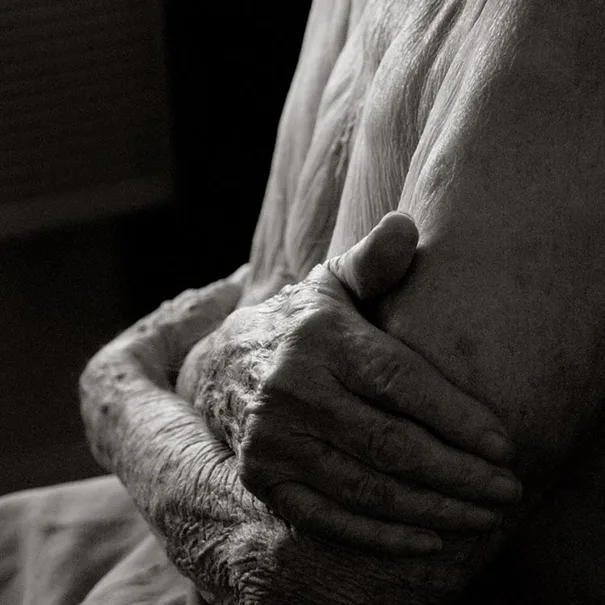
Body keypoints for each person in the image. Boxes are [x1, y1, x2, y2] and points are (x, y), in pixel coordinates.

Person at [2, 1, 605, 603]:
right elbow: (277, 282)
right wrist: (211, 360)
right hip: (186, 527)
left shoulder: (557, 34)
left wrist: (116, 399)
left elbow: (318, 577)